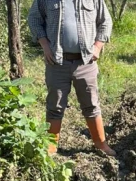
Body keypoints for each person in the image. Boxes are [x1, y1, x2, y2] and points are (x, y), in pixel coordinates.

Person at [27, 0, 115, 156]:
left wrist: (98, 47)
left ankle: (101, 144)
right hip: (57, 62)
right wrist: (45, 45)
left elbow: (105, 21)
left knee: (91, 104)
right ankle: (51, 146)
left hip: (86, 62)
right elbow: (34, 19)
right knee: (55, 105)